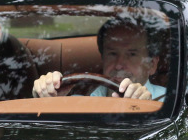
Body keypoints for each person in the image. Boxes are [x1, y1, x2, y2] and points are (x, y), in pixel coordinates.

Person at [31, 17, 164, 101]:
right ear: (103, 59)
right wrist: (45, 94)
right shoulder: (77, 103)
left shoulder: (171, 104)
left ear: (151, 64)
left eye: (132, 55)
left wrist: (147, 107)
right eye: (112, 54)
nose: (119, 65)